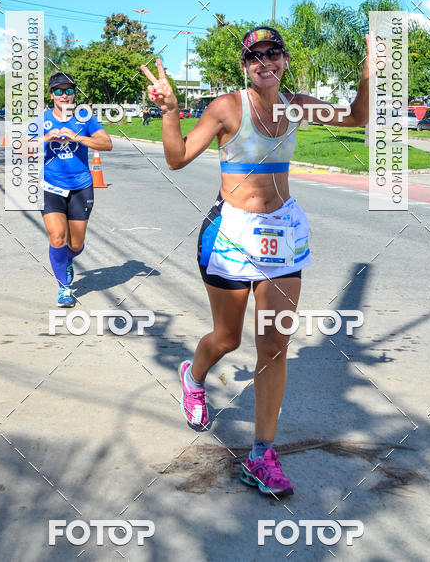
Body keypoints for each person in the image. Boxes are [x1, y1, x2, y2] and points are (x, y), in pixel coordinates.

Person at [141, 26, 370, 498]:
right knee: (226, 337)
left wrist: (372, 67)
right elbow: (178, 157)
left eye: (273, 53)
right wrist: (168, 112)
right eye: (254, 57)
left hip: (283, 234)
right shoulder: (227, 107)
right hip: (231, 236)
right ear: (244, 66)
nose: (264, 62)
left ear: (284, 60)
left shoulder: (297, 104)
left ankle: (262, 456)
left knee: (273, 347)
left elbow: (356, 116)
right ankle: (194, 374)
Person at [38, 72, 112, 308]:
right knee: (57, 237)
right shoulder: (42, 119)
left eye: (68, 90)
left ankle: (66, 260)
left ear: (74, 94)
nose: (64, 95)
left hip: (81, 187)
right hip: (51, 187)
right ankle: (64, 287)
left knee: (76, 245)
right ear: (51, 95)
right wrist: (44, 138)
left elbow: (106, 143)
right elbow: (18, 148)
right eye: (58, 91)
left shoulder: (85, 118)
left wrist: (79, 138)